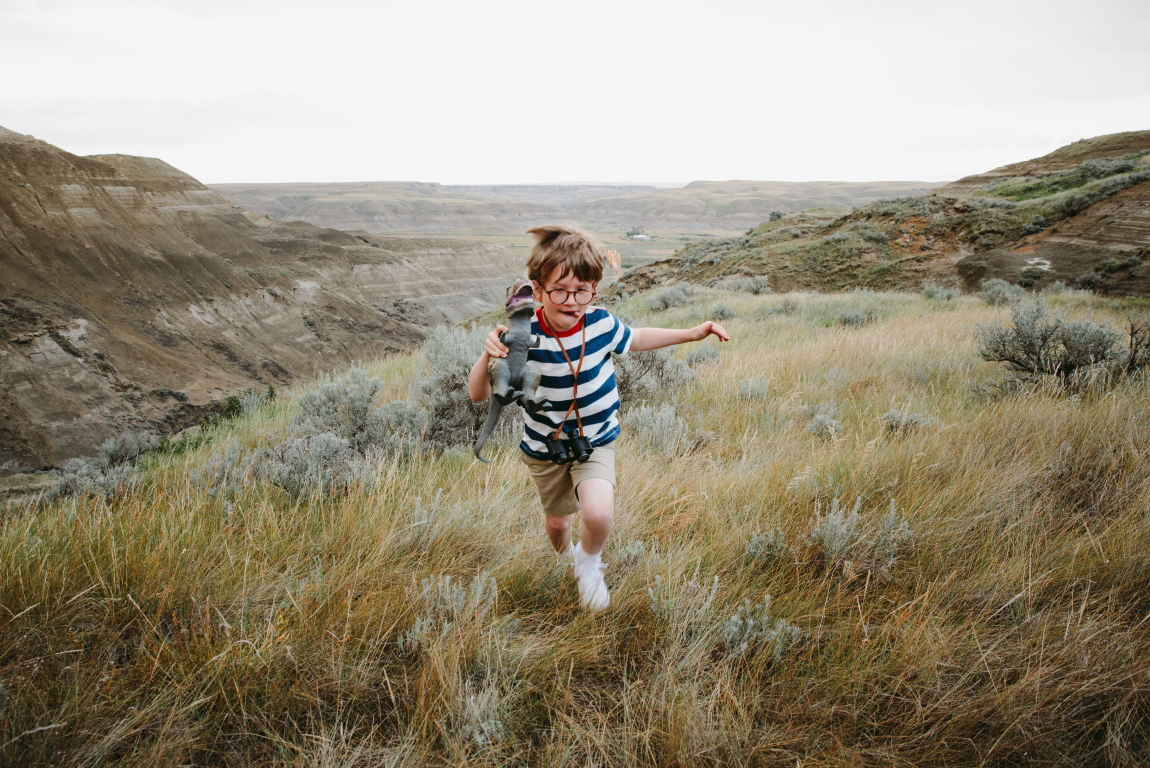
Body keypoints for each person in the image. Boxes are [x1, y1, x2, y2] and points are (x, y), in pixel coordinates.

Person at [468, 225, 730, 610]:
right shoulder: (524, 334)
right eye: (560, 290)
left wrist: (691, 334)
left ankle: (589, 563)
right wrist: (488, 354)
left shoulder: (600, 323)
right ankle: (566, 559)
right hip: (544, 448)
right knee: (559, 525)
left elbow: (637, 338)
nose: (573, 301)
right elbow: (479, 394)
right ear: (538, 290)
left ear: (594, 288)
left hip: (595, 440)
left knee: (599, 513)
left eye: (583, 290)